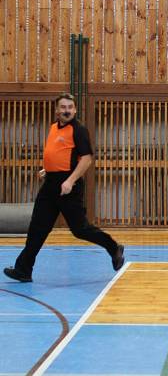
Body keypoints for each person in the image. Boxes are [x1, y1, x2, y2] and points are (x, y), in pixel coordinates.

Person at [3, 93, 124, 283]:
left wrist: (69, 181)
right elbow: (61, 154)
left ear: (75, 110)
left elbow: (86, 160)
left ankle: (113, 247)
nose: (66, 110)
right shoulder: (53, 128)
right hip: (50, 184)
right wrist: (47, 169)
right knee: (37, 228)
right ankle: (23, 270)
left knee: (80, 229)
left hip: (69, 187)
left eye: (70, 107)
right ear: (57, 110)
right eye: (63, 107)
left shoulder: (79, 130)